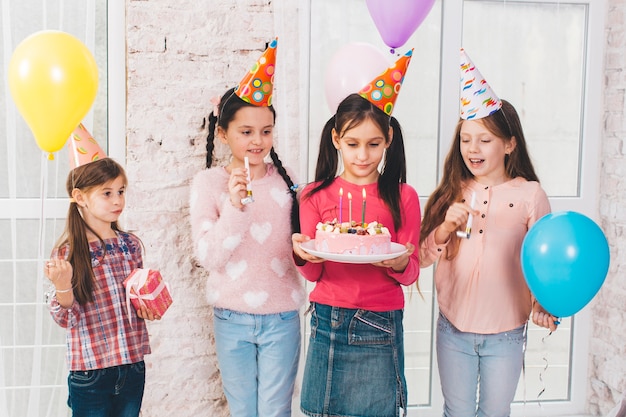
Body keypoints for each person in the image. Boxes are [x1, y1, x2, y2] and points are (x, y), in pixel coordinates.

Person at [419, 49, 559, 417]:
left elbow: (544, 263)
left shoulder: (531, 195)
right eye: (466, 139)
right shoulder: (453, 190)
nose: (473, 148)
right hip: (454, 329)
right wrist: (446, 227)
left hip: (506, 333)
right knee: (458, 412)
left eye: (484, 140)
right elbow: (420, 257)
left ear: (509, 144)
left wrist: (545, 304)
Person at [292, 50, 420, 417]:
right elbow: (314, 271)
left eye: (373, 144)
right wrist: (302, 253)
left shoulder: (404, 197)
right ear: (335, 139)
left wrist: (399, 262)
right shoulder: (313, 195)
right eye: (352, 144)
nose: (363, 155)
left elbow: (410, 273)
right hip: (327, 317)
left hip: (380, 321)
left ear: (389, 139)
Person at [189, 38, 305, 417]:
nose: (258, 141)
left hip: (282, 317)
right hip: (231, 317)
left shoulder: (289, 185)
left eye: (266, 131)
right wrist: (237, 208)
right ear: (223, 134)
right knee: (242, 411)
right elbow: (210, 257)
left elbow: (299, 250)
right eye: (246, 132)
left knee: (276, 410)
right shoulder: (208, 184)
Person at [45, 124, 159, 417]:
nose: (117, 200)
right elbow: (65, 317)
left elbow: (138, 299)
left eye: (120, 191)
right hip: (91, 371)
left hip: (132, 364)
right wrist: (62, 286)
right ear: (80, 197)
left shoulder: (130, 244)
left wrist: (150, 303)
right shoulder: (68, 252)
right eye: (106, 193)